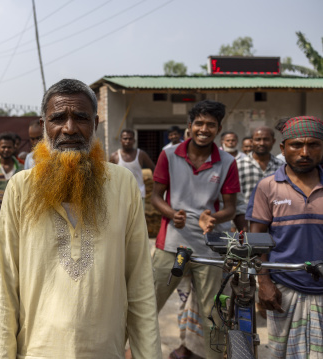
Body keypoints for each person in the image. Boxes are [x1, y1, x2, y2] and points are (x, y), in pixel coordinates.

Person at [0, 79, 161, 358]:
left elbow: (139, 281)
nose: (69, 128)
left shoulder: (122, 184)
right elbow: (5, 285)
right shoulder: (20, 188)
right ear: (44, 125)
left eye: (80, 118)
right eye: (58, 118)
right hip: (37, 350)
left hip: (104, 350)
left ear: (96, 123)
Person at [151, 100, 240, 359]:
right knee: (147, 304)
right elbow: (157, 196)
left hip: (209, 246)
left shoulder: (227, 162)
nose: (204, 129)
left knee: (213, 315)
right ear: (189, 126)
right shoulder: (168, 155)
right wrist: (171, 214)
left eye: (211, 125)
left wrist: (213, 217)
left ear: (219, 129)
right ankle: (132, 351)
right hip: (172, 245)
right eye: (199, 123)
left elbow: (231, 208)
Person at [247, 116, 323, 359]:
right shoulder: (268, 186)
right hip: (284, 288)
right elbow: (257, 237)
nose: (304, 152)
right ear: (283, 148)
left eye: (313, 145)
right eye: (296, 145)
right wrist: (265, 283)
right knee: (282, 353)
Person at [237, 126, 284, 208]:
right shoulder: (239, 165)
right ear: (251, 142)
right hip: (246, 216)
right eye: (258, 139)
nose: (262, 143)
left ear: (273, 141)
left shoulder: (281, 166)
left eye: (266, 139)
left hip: (274, 216)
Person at [109, 129, 156, 206]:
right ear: (121, 140)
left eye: (130, 138)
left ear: (134, 140)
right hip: (121, 196)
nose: (127, 141)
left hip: (138, 195)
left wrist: (156, 188)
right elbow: (108, 175)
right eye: (125, 138)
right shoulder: (115, 156)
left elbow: (154, 169)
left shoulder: (141, 154)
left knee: (139, 218)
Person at [0, 133, 23, 212]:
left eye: (9, 147)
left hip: (15, 212)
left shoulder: (22, 169)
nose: (6, 150)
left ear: (14, 148)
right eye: (3, 147)